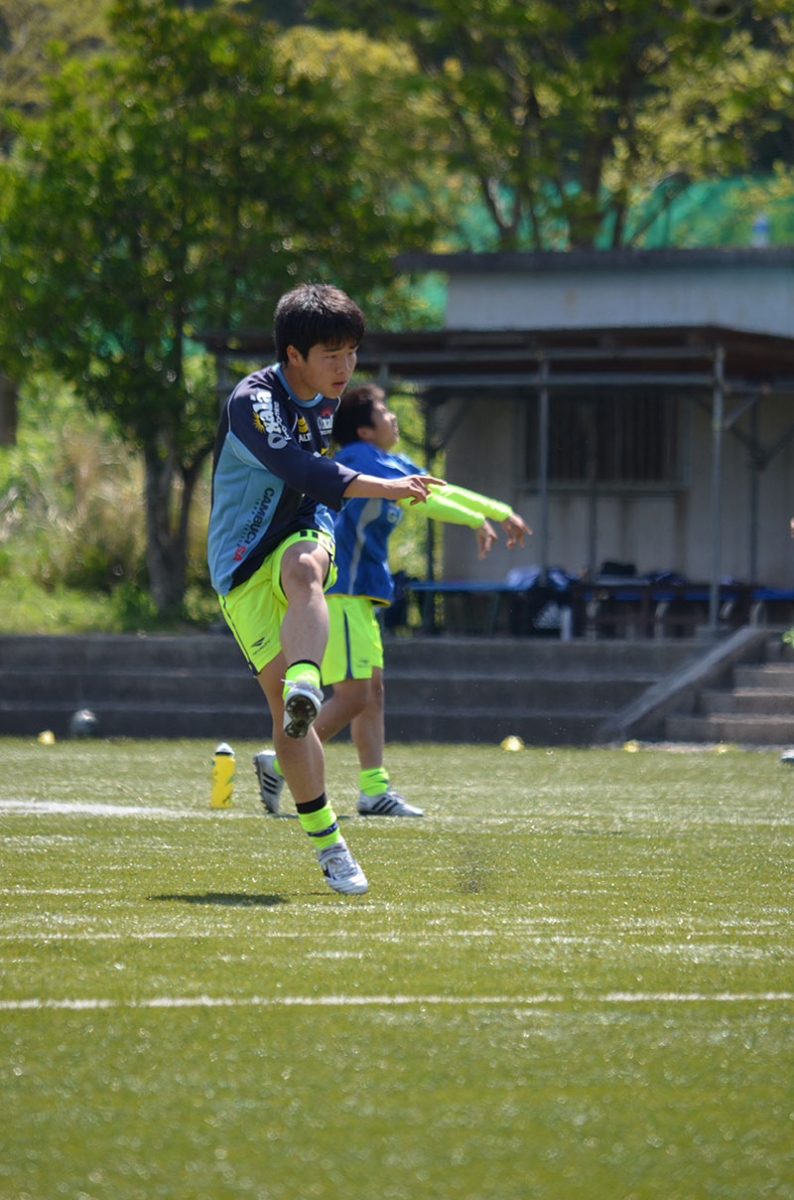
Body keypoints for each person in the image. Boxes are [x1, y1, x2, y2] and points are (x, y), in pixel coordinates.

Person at [207, 286, 443, 895]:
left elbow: (312, 490)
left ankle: (306, 683)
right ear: (294, 355)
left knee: (306, 570)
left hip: (301, 526)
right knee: (285, 723)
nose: (346, 368)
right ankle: (330, 843)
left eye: (351, 353)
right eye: (331, 355)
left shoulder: (327, 397)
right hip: (238, 561)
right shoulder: (253, 400)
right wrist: (386, 488)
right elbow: (302, 469)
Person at [253, 382, 532, 819]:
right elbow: (426, 499)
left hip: (361, 595)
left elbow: (434, 490)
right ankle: (282, 758)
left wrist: (491, 511)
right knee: (354, 695)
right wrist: (486, 515)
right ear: (364, 430)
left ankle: (373, 790)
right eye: (383, 411)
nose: (393, 417)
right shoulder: (358, 461)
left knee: (372, 693)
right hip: (339, 591)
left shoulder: (386, 461)